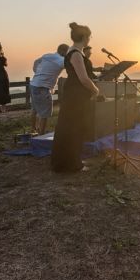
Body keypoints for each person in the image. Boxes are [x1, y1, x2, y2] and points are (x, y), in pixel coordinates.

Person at [51, 23, 99, 173]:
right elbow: (83, 78)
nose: (90, 39)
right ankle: (71, 164)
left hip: (75, 93)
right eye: (89, 36)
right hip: (76, 95)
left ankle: (73, 160)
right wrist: (95, 89)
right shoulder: (76, 54)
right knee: (74, 128)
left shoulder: (74, 51)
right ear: (84, 37)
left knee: (73, 127)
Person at [30, 44, 69, 134]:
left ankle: (33, 130)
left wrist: (38, 73)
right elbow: (70, 66)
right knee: (45, 112)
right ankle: (41, 134)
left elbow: (36, 62)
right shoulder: (61, 60)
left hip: (33, 84)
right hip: (42, 87)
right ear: (63, 52)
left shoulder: (47, 56)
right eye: (67, 52)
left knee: (35, 109)